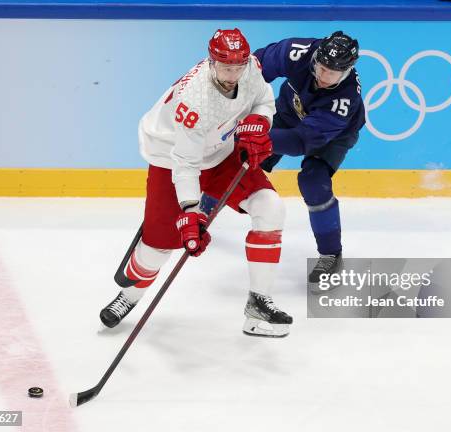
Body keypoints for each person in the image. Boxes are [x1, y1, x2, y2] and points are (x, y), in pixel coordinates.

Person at [99, 29, 293, 338]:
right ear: (211, 61)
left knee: (270, 209)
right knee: (158, 250)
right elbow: (186, 163)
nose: (233, 74)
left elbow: (264, 100)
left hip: (221, 150)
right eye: (225, 67)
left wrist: (260, 122)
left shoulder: (251, 68)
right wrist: (191, 210)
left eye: (237, 66)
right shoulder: (195, 100)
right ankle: (130, 295)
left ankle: (257, 308)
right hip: (171, 157)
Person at [255, 31, 365, 283]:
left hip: (332, 136)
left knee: (313, 181)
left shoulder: (344, 100)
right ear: (315, 57)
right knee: (244, 158)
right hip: (287, 112)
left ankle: (330, 254)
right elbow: (255, 66)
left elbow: (300, 141)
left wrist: (256, 137)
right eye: (322, 67)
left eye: (333, 73)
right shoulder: (297, 51)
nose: (325, 76)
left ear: (347, 71)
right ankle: (203, 212)